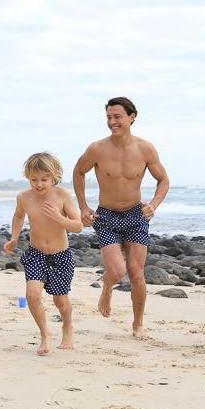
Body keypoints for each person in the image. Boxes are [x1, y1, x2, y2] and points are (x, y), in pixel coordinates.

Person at [73, 97, 169, 338]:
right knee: (116, 271)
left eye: (117, 117)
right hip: (106, 217)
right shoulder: (97, 148)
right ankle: (107, 287)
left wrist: (154, 205)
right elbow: (79, 172)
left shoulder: (145, 148)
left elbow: (164, 180)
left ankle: (137, 324)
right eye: (108, 117)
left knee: (136, 273)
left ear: (132, 117)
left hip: (136, 216)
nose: (112, 122)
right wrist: (83, 207)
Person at [3, 153, 82, 356]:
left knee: (61, 302)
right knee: (32, 294)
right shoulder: (24, 197)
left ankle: (67, 327)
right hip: (36, 254)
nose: (38, 184)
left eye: (44, 180)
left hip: (60, 256)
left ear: (54, 176)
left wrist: (58, 217)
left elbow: (78, 226)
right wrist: (14, 237)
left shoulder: (62, 195)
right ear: (27, 177)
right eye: (34, 179)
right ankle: (45, 334)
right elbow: (19, 216)